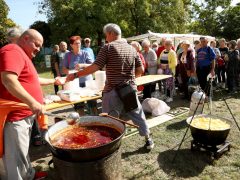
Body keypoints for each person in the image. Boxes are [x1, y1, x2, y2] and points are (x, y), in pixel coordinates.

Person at [66, 23, 154, 150]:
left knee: (109, 120)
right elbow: (140, 69)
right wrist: (128, 79)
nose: (106, 38)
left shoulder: (108, 47)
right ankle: (148, 139)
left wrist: (75, 75)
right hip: (129, 89)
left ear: (111, 34)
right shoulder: (132, 49)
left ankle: (109, 145)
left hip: (112, 91)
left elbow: (95, 67)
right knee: (137, 115)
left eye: (106, 35)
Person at [0, 29, 64, 180]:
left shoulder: (23, 55)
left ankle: (29, 175)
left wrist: (54, 81)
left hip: (25, 115)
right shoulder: (12, 50)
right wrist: (32, 102)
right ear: (26, 38)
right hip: (15, 117)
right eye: (37, 44)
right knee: (14, 159)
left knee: (22, 152)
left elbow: (34, 80)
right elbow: (8, 80)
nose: (39, 49)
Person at [63, 36, 97, 115]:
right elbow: (64, 69)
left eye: (79, 43)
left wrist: (82, 65)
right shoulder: (68, 55)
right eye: (76, 43)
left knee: (92, 103)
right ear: (71, 45)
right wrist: (70, 72)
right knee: (78, 105)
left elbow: (93, 65)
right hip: (75, 84)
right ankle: (82, 122)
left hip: (87, 82)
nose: (78, 45)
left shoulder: (85, 53)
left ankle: (96, 119)